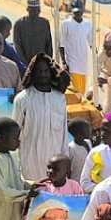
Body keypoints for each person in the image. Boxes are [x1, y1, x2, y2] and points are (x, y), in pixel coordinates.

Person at [12, 53, 69, 182]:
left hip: (55, 161)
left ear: (51, 73)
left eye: (46, 71)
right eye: (39, 71)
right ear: (32, 73)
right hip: (30, 160)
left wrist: (65, 159)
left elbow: (64, 132)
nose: (43, 74)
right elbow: (15, 132)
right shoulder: (22, 99)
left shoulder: (60, 98)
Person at [79, 108, 111, 192]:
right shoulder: (97, 152)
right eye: (101, 129)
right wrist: (107, 191)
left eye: (107, 131)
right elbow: (85, 182)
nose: (102, 134)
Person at [61, 0, 92, 95]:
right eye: (75, 12)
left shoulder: (88, 24)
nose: (78, 14)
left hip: (84, 64)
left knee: (82, 93)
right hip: (72, 64)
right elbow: (61, 45)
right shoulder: (66, 24)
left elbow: (91, 43)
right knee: (74, 93)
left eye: (79, 12)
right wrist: (64, 62)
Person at [13, 0, 53, 66]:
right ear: (27, 9)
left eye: (36, 10)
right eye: (32, 10)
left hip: (42, 64)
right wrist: (25, 64)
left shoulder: (45, 23)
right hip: (25, 64)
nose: (35, 12)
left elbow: (49, 44)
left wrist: (47, 62)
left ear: (39, 10)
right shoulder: (19, 24)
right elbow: (17, 46)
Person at [67, 119, 92, 183]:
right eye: (87, 128)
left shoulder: (88, 142)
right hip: (76, 182)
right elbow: (68, 170)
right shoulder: (71, 148)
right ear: (78, 133)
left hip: (88, 181)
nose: (90, 130)